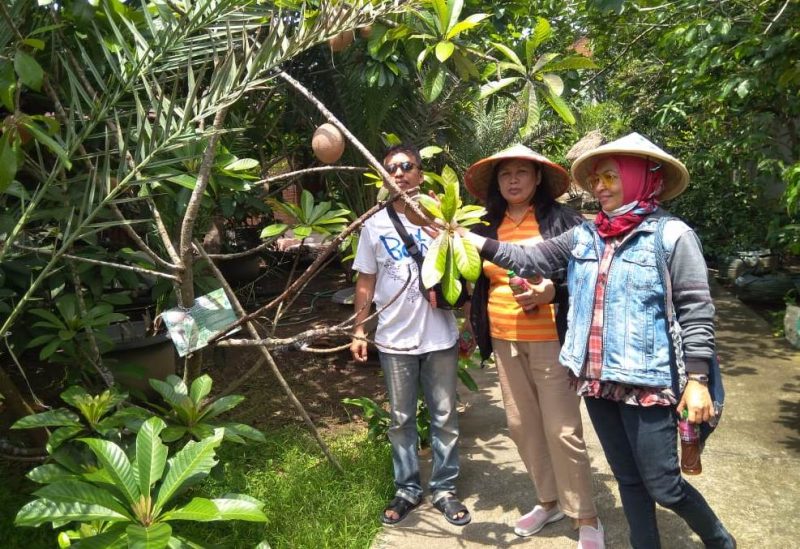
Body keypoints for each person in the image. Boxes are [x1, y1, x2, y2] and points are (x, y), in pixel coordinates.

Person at [458, 133, 736, 548]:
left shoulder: (672, 236)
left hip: (650, 382)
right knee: (627, 478)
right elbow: (530, 258)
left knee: (663, 484)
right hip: (598, 379)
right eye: (596, 179)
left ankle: (719, 540)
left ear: (641, 177)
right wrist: (468, 238)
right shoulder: (587, 235)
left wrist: (696, 378)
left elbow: (697, 310)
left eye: (611, 176)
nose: (600, 186)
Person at [462, 145, 604, 547]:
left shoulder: (564, 221)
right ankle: (548, 501)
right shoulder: (486, 223)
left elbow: (587, 280)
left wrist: (551, 293)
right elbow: (477, 276)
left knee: (562, 430)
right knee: (522, 427)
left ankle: (586, 516)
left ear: (538, 178)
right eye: (505, 174)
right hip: (505, 339)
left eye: (522, 172)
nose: (513, 180)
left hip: (552, 342)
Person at [350, 143, 471, 527]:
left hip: (439, 338)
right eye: (392, 169)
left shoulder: (442, 220)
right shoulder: (373, 225)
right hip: (393, 340)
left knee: (445, 416)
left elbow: (464, 270)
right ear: (386, 178)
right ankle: (407, 488)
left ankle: (444, 489)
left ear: (420, 173)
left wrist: (468, 326)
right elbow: (366, 280)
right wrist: (358, 328)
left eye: (407, 166)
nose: (399, 173)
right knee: (400, 419)